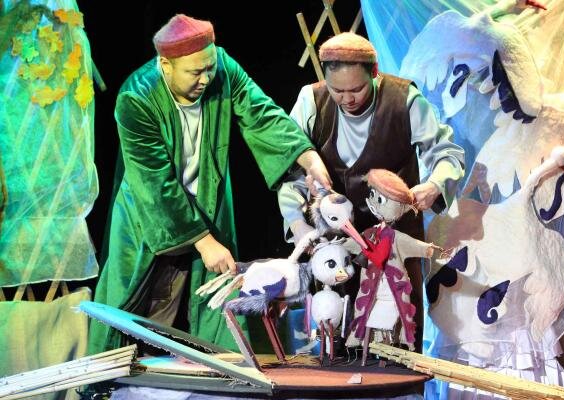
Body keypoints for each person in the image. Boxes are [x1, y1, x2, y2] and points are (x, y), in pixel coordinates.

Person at [88, 14, 332, 355]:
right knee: (140, 312)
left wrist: (308, 158)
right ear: (165, 64)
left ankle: (221, 373)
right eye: (195, 72)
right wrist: (203, 242)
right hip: (152, 217)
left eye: (209, 68)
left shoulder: (222, 69)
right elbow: (155, 182)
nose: (205, 79)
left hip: (208, 201)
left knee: (214, 305)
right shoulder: (136, 97)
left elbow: (261, 114)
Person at [277, 32, 465, 352]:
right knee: (335, 333)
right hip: (335, 244)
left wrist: (435, 184)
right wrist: (298, 225)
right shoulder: (311, 100)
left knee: (396, 335)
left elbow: (447, 154)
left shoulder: (403, 99)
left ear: (374, 73)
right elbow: (290, 169)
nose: (347, 99)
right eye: (337, 90)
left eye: (356, 89)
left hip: (393, 242)